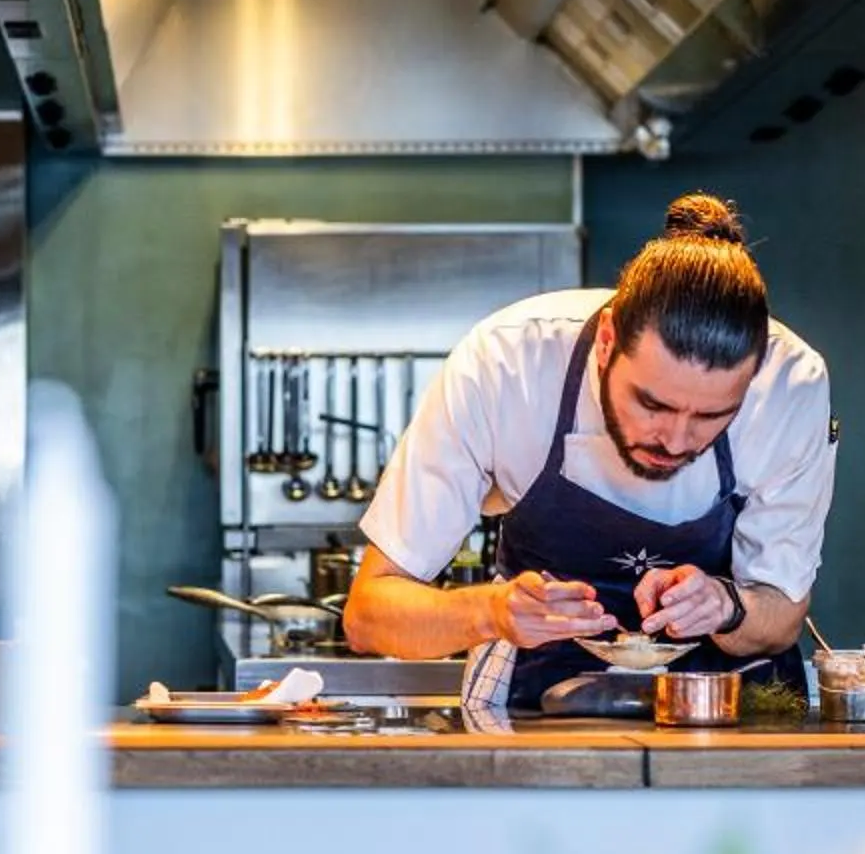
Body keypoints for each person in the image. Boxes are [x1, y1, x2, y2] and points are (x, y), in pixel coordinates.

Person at [342, 194, 836, 714]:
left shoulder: (791, 386)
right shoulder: (507, 365)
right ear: (607, 342)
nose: (674, 439)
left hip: (722, 713)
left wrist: (727, 605)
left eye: (712, 417)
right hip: (532, 708)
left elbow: (781, 615)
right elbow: (369, 614)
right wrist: (491, 611)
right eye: (652, 403)